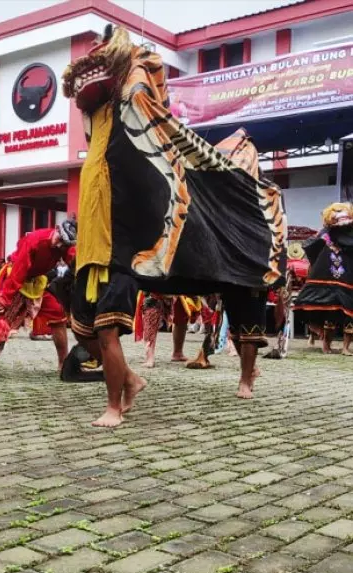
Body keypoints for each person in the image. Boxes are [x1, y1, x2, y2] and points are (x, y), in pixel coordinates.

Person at [63, 25, 286, 425]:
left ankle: (116, 405)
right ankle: (130, 379)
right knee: (83, 328)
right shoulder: (95, 114)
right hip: (96, 233)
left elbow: (149, 93)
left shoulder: (136, 90)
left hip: (127, 237)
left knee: (109, 328)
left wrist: (129, 72)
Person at [0, 225, 75, 379]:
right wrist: (5, 298)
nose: (60, 246)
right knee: (1, 319)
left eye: (64, 244)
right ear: (56, 229)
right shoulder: (35, 241)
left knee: (58, 315)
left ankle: (63, 363)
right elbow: (19, 271)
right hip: (14, 278)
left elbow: (74, 260)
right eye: (59, 240)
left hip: (36, 282)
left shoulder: (65, 245)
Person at [293, 202, 353, 355]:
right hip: (326, 278)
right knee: (329, 313)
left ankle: (346, 347)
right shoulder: (326, 233)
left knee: (349, 314)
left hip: (347, 278)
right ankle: (326, 345)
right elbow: (310, 245)